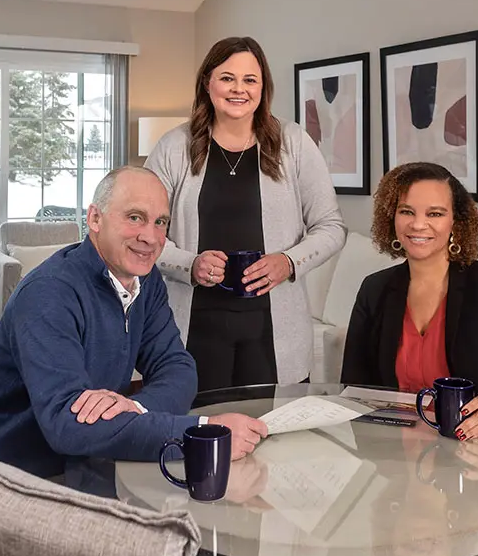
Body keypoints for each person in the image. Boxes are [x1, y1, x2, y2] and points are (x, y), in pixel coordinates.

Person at [0, 166, 267, 479]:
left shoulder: (145, 280)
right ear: (95, 219)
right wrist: (203, 432)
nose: (151, 237)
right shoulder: (48, 294)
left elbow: (178, 368)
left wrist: (135, 408)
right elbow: (68, 426)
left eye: (160, 222)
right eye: (135, 217)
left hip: (76, 463)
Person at [145, 36, 346, 392]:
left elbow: (331, 227)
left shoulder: (294, 143)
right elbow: (144, 233)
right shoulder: (174, 146)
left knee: (273, 425)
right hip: (193, 329)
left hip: (274, 331)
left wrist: (289, 262)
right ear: (207, 83)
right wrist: (189, 264)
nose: (239, 89)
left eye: (250, 80)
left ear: (263, 87)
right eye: (227, 78)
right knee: (196, 424)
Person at [341, 161, 478, 439]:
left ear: (456, 221)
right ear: (391, 218)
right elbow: (354, 389)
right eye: (406, 211)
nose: (418, 224)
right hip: (391, 449)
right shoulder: (374, 289)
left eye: (435, 213)